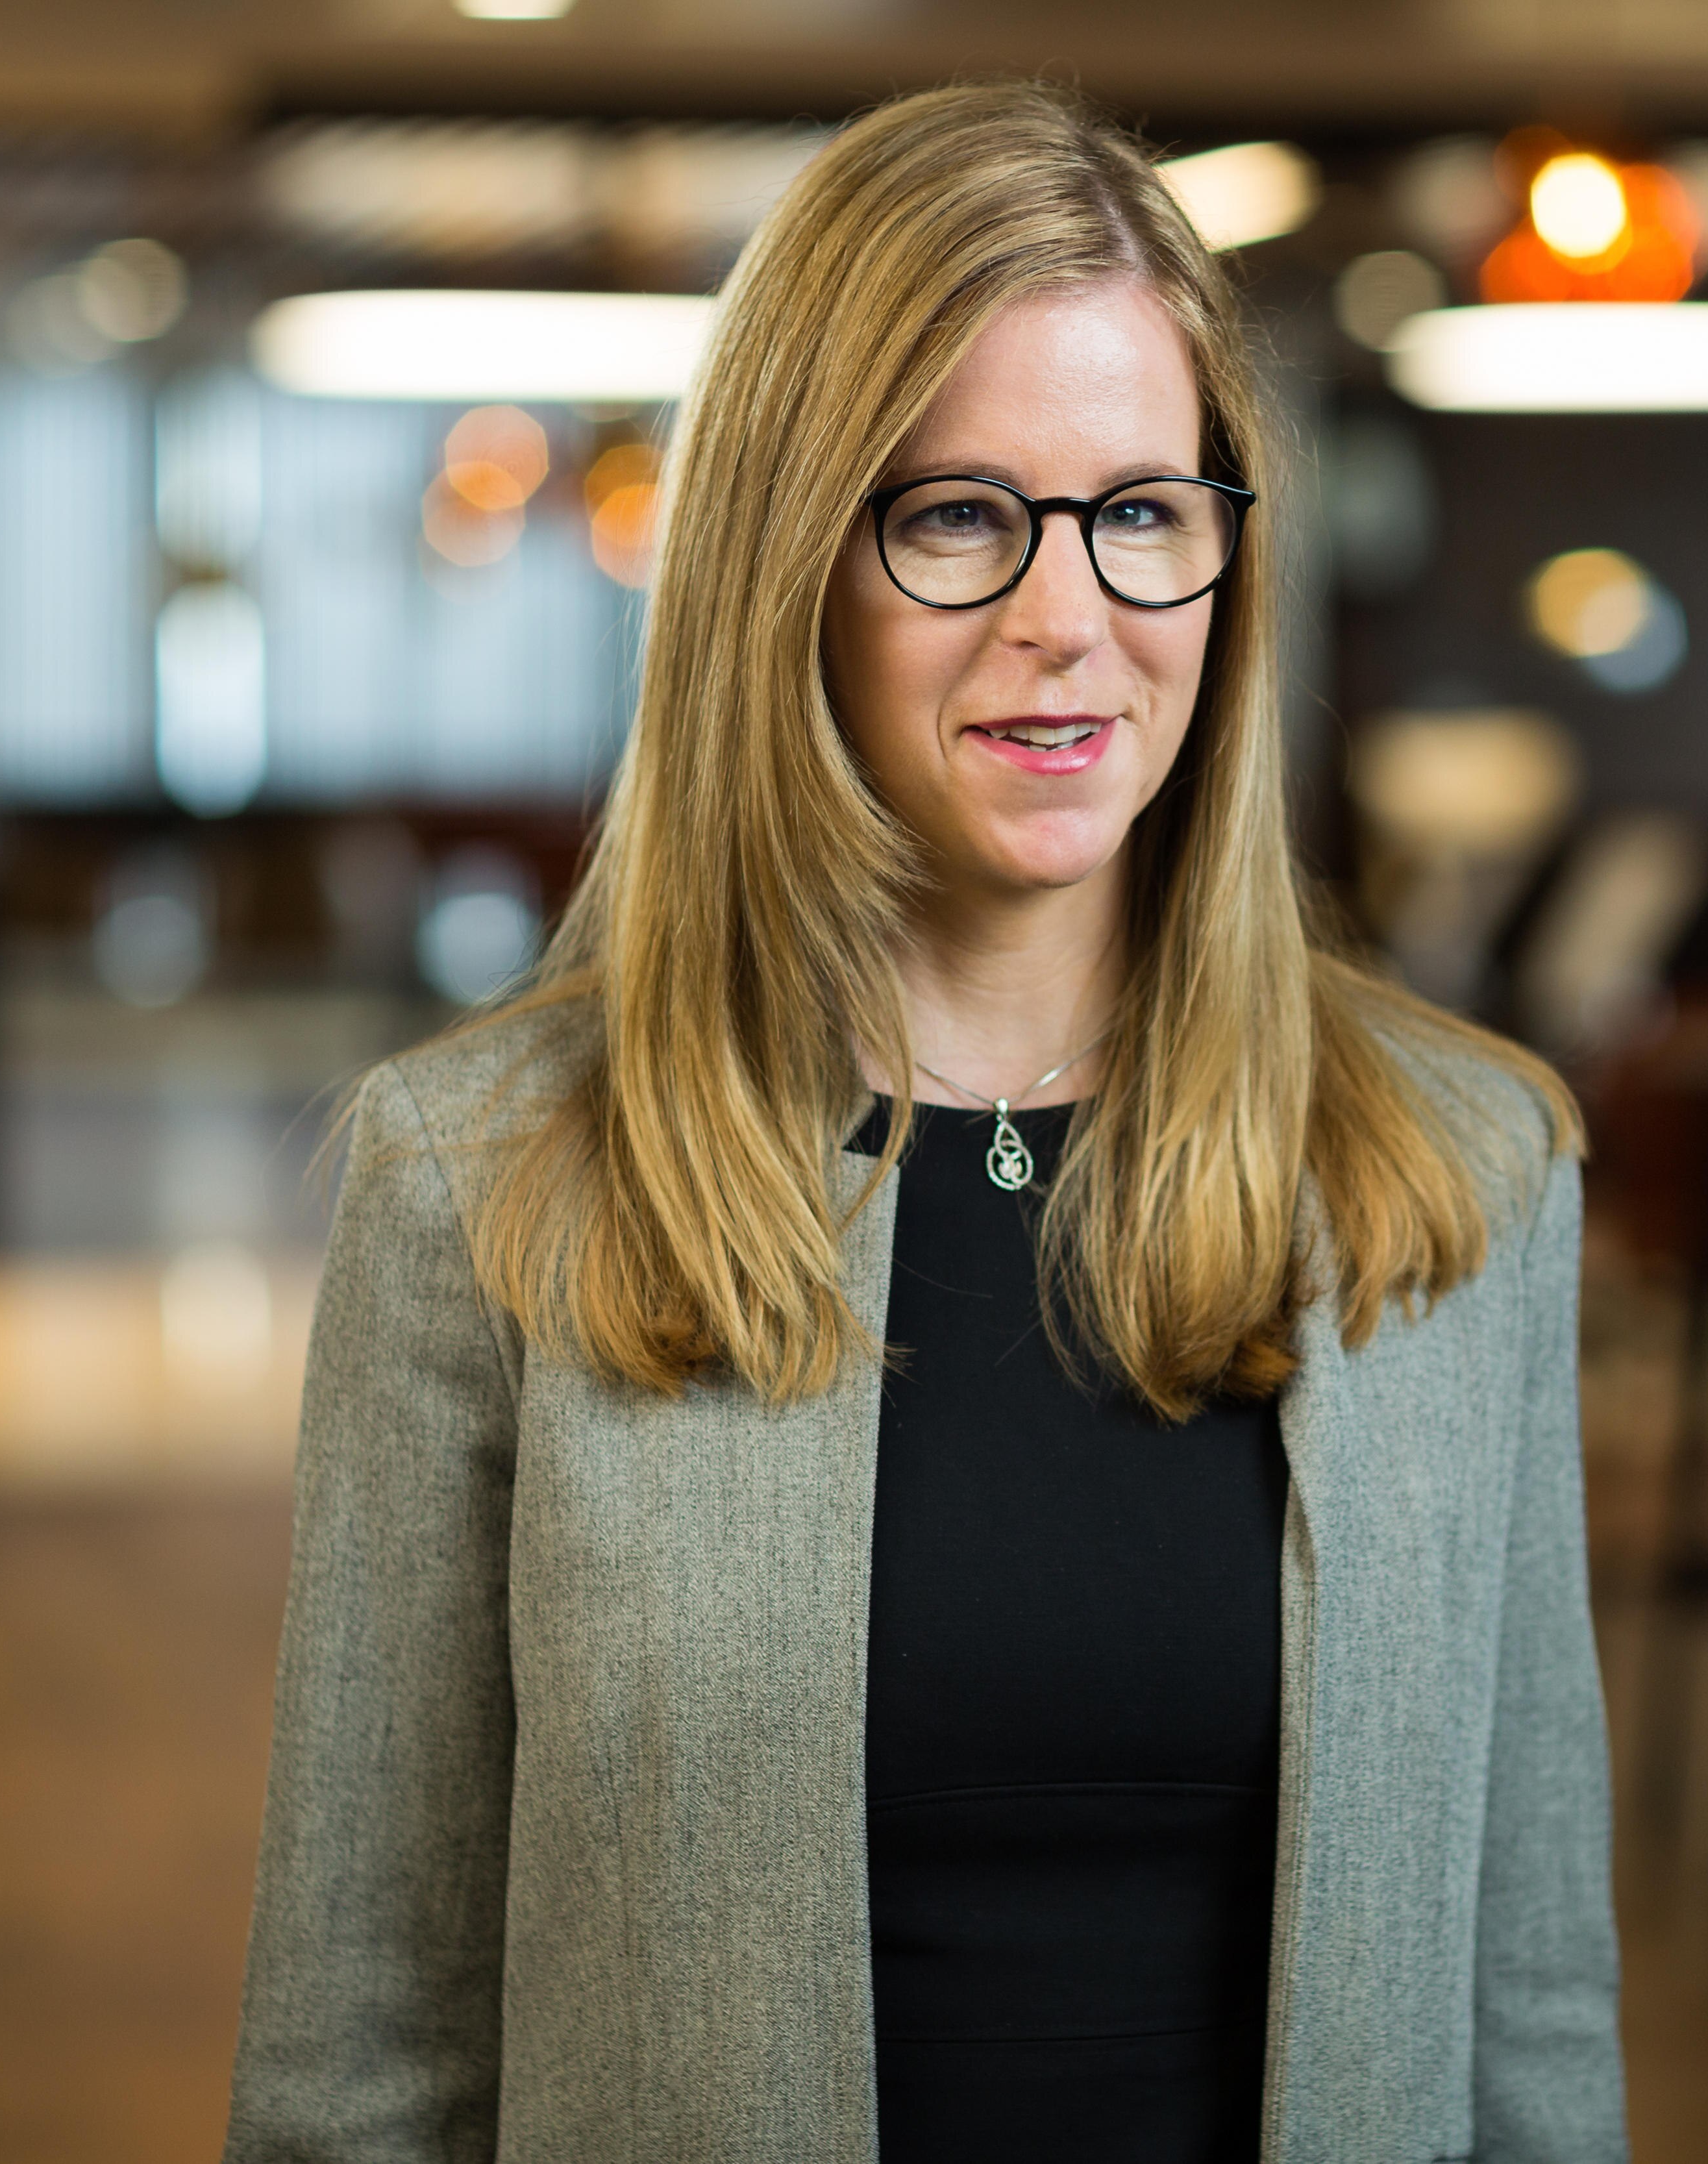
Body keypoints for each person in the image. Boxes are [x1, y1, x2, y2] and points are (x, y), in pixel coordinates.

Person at [222, 81, 1624, 2164]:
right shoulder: (488, 1186)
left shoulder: (1459, 1177)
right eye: (958, 513)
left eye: (1144, 510)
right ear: (790, 566)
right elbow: (363, 2061)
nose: (1070, 615)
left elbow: (1530, 2025)